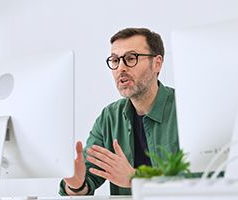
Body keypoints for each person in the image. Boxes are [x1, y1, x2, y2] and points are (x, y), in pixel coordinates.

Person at [59, 28, 179, 196]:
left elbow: (206, 179)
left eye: (131, 58)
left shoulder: (185, 108)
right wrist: (77, 184)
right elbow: (86, 180)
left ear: (157, 63)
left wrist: (136, 179)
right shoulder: (109, 118)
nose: (121, 68)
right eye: (115, 60)